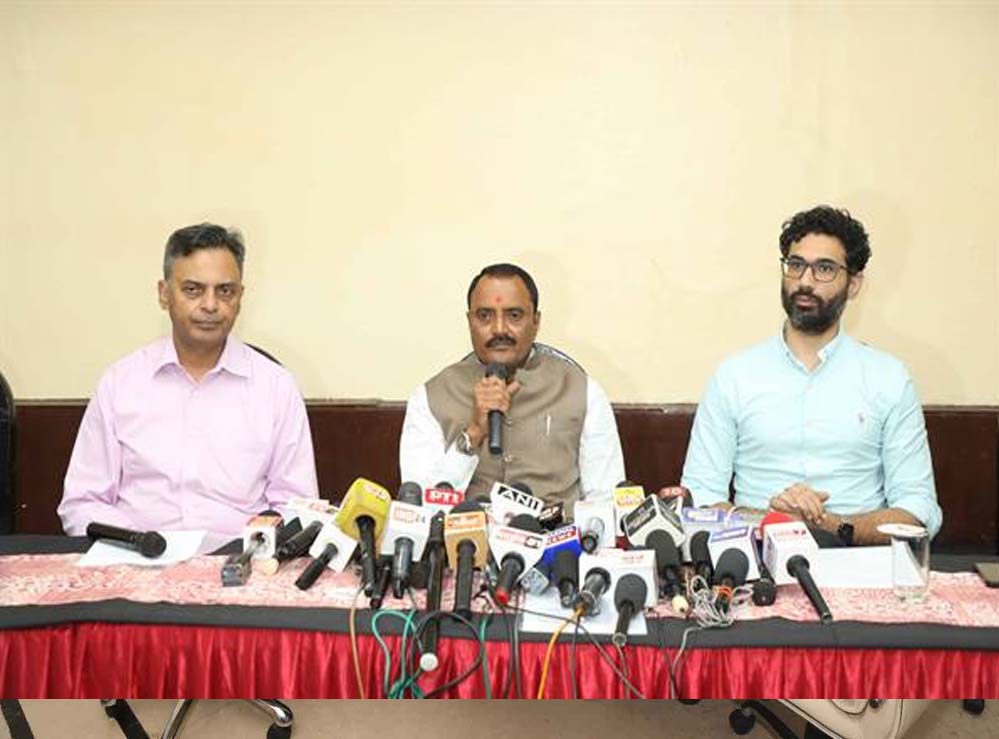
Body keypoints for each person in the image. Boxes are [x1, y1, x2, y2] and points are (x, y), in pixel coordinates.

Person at [680, 206, 942, 544]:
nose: (805, 281)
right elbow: (699, 497)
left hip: (858, 557)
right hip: (757, 556)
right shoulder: (734, 376)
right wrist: (770, 521)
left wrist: (831, 525)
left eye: (824, 269)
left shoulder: (888, 378)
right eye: (796, 265)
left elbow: (918, 510)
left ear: (854, 284)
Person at [58, 224, 318, 542]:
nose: (210, 305)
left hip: (238, 558)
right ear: (164, 294)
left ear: (240, 297)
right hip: (135, 554)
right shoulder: (121, 383)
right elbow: (83, 502)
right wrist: (138, 545)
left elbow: (296, 506)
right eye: (193, 290)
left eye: (225, 291)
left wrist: (252, 548)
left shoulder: (276, 387)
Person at [399, 263, 624, 509]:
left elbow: (605, 501)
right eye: (484, 316)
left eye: (514, 315)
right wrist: (473, 434)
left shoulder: (582, 392)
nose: (499, 329)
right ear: (470, 321)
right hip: (466, 532)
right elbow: (418, 508)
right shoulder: (430, 397)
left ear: (536, 321)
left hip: (557, 532)